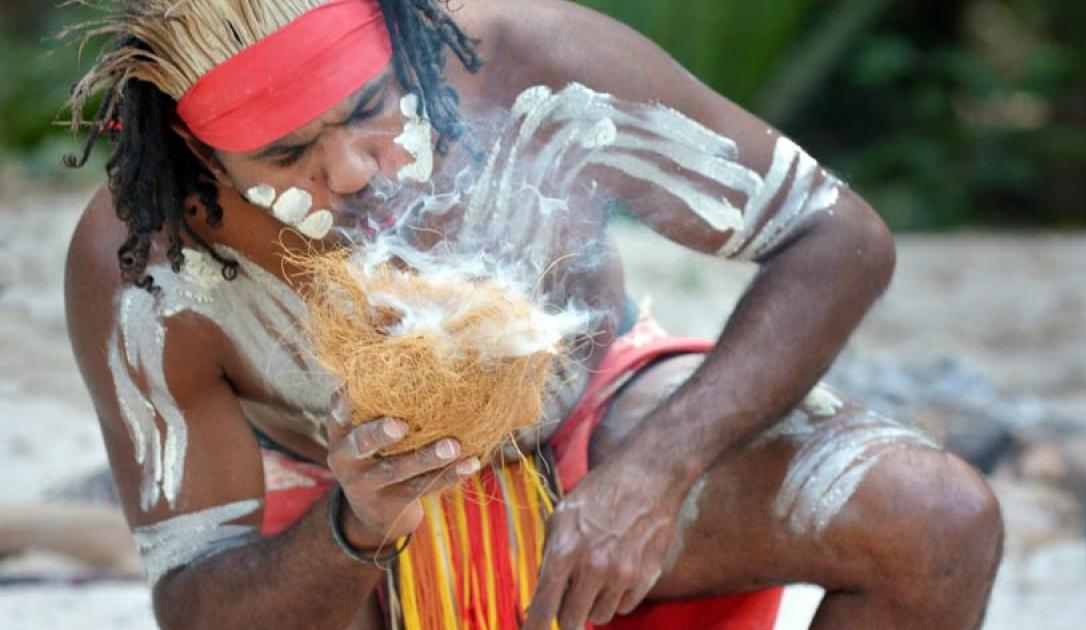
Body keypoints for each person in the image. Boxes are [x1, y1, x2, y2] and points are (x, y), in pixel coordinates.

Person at [63, 0, 1003, 628]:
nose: (349, 169)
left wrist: (655, 473)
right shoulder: (145, 264)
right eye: (285, 154)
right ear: (198, 150)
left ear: (401, 42)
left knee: (934, 518)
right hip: (341, 513)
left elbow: (837, 237)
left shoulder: (533, 65)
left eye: (368, 109)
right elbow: (198, 604)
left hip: (594, 417)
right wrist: (357, 521)